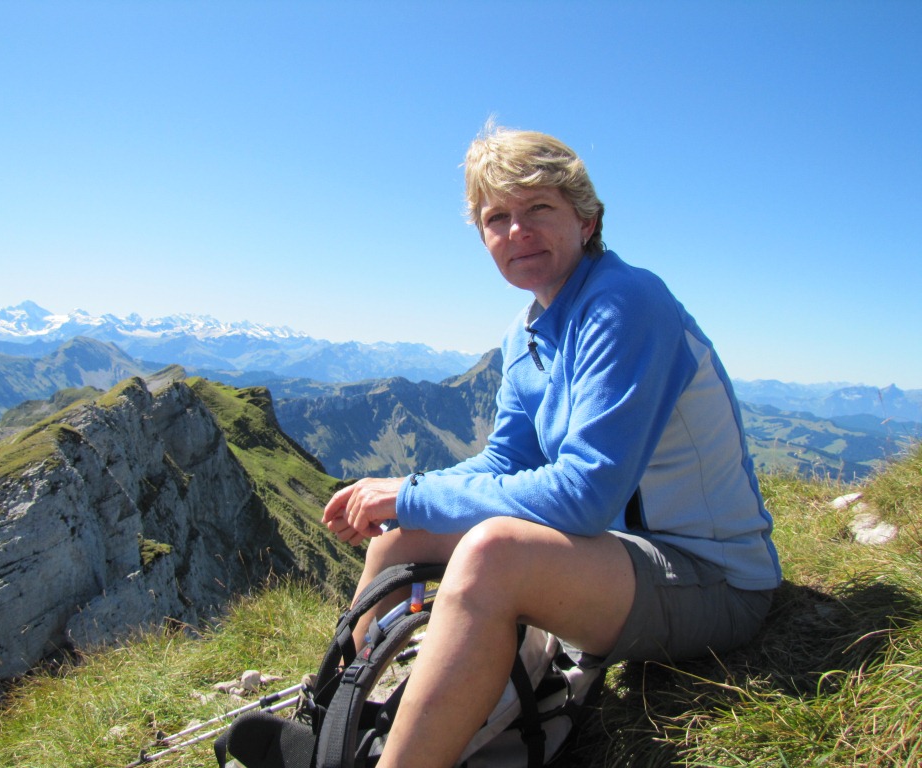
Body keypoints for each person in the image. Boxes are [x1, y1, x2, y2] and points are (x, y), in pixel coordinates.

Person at [321, 124, 782, 768]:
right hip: (619, 560)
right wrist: (406, 502)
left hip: (714, 579)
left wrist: (411, 493)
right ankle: (331, 729)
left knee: (492, 554)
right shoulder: (528, 332)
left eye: (538, 208)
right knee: (401, 539)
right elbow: (506, 462)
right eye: (496, 218)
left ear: (586, 220)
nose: (517, 231)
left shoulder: (626, 303)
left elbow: (584, 496)